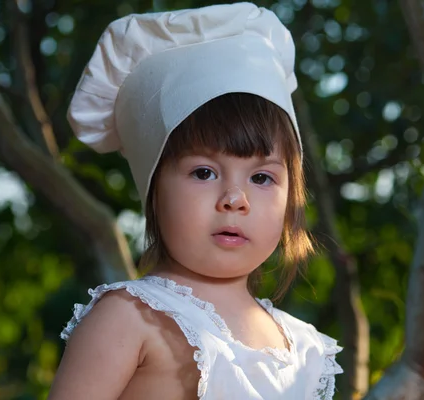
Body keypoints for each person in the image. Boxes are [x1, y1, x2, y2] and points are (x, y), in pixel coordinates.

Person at [48, 3, 343, 399]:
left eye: (261, 177)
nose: (235, 199)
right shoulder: (128, 318)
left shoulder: (304, 348)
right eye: (204, 172)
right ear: (153, 188)